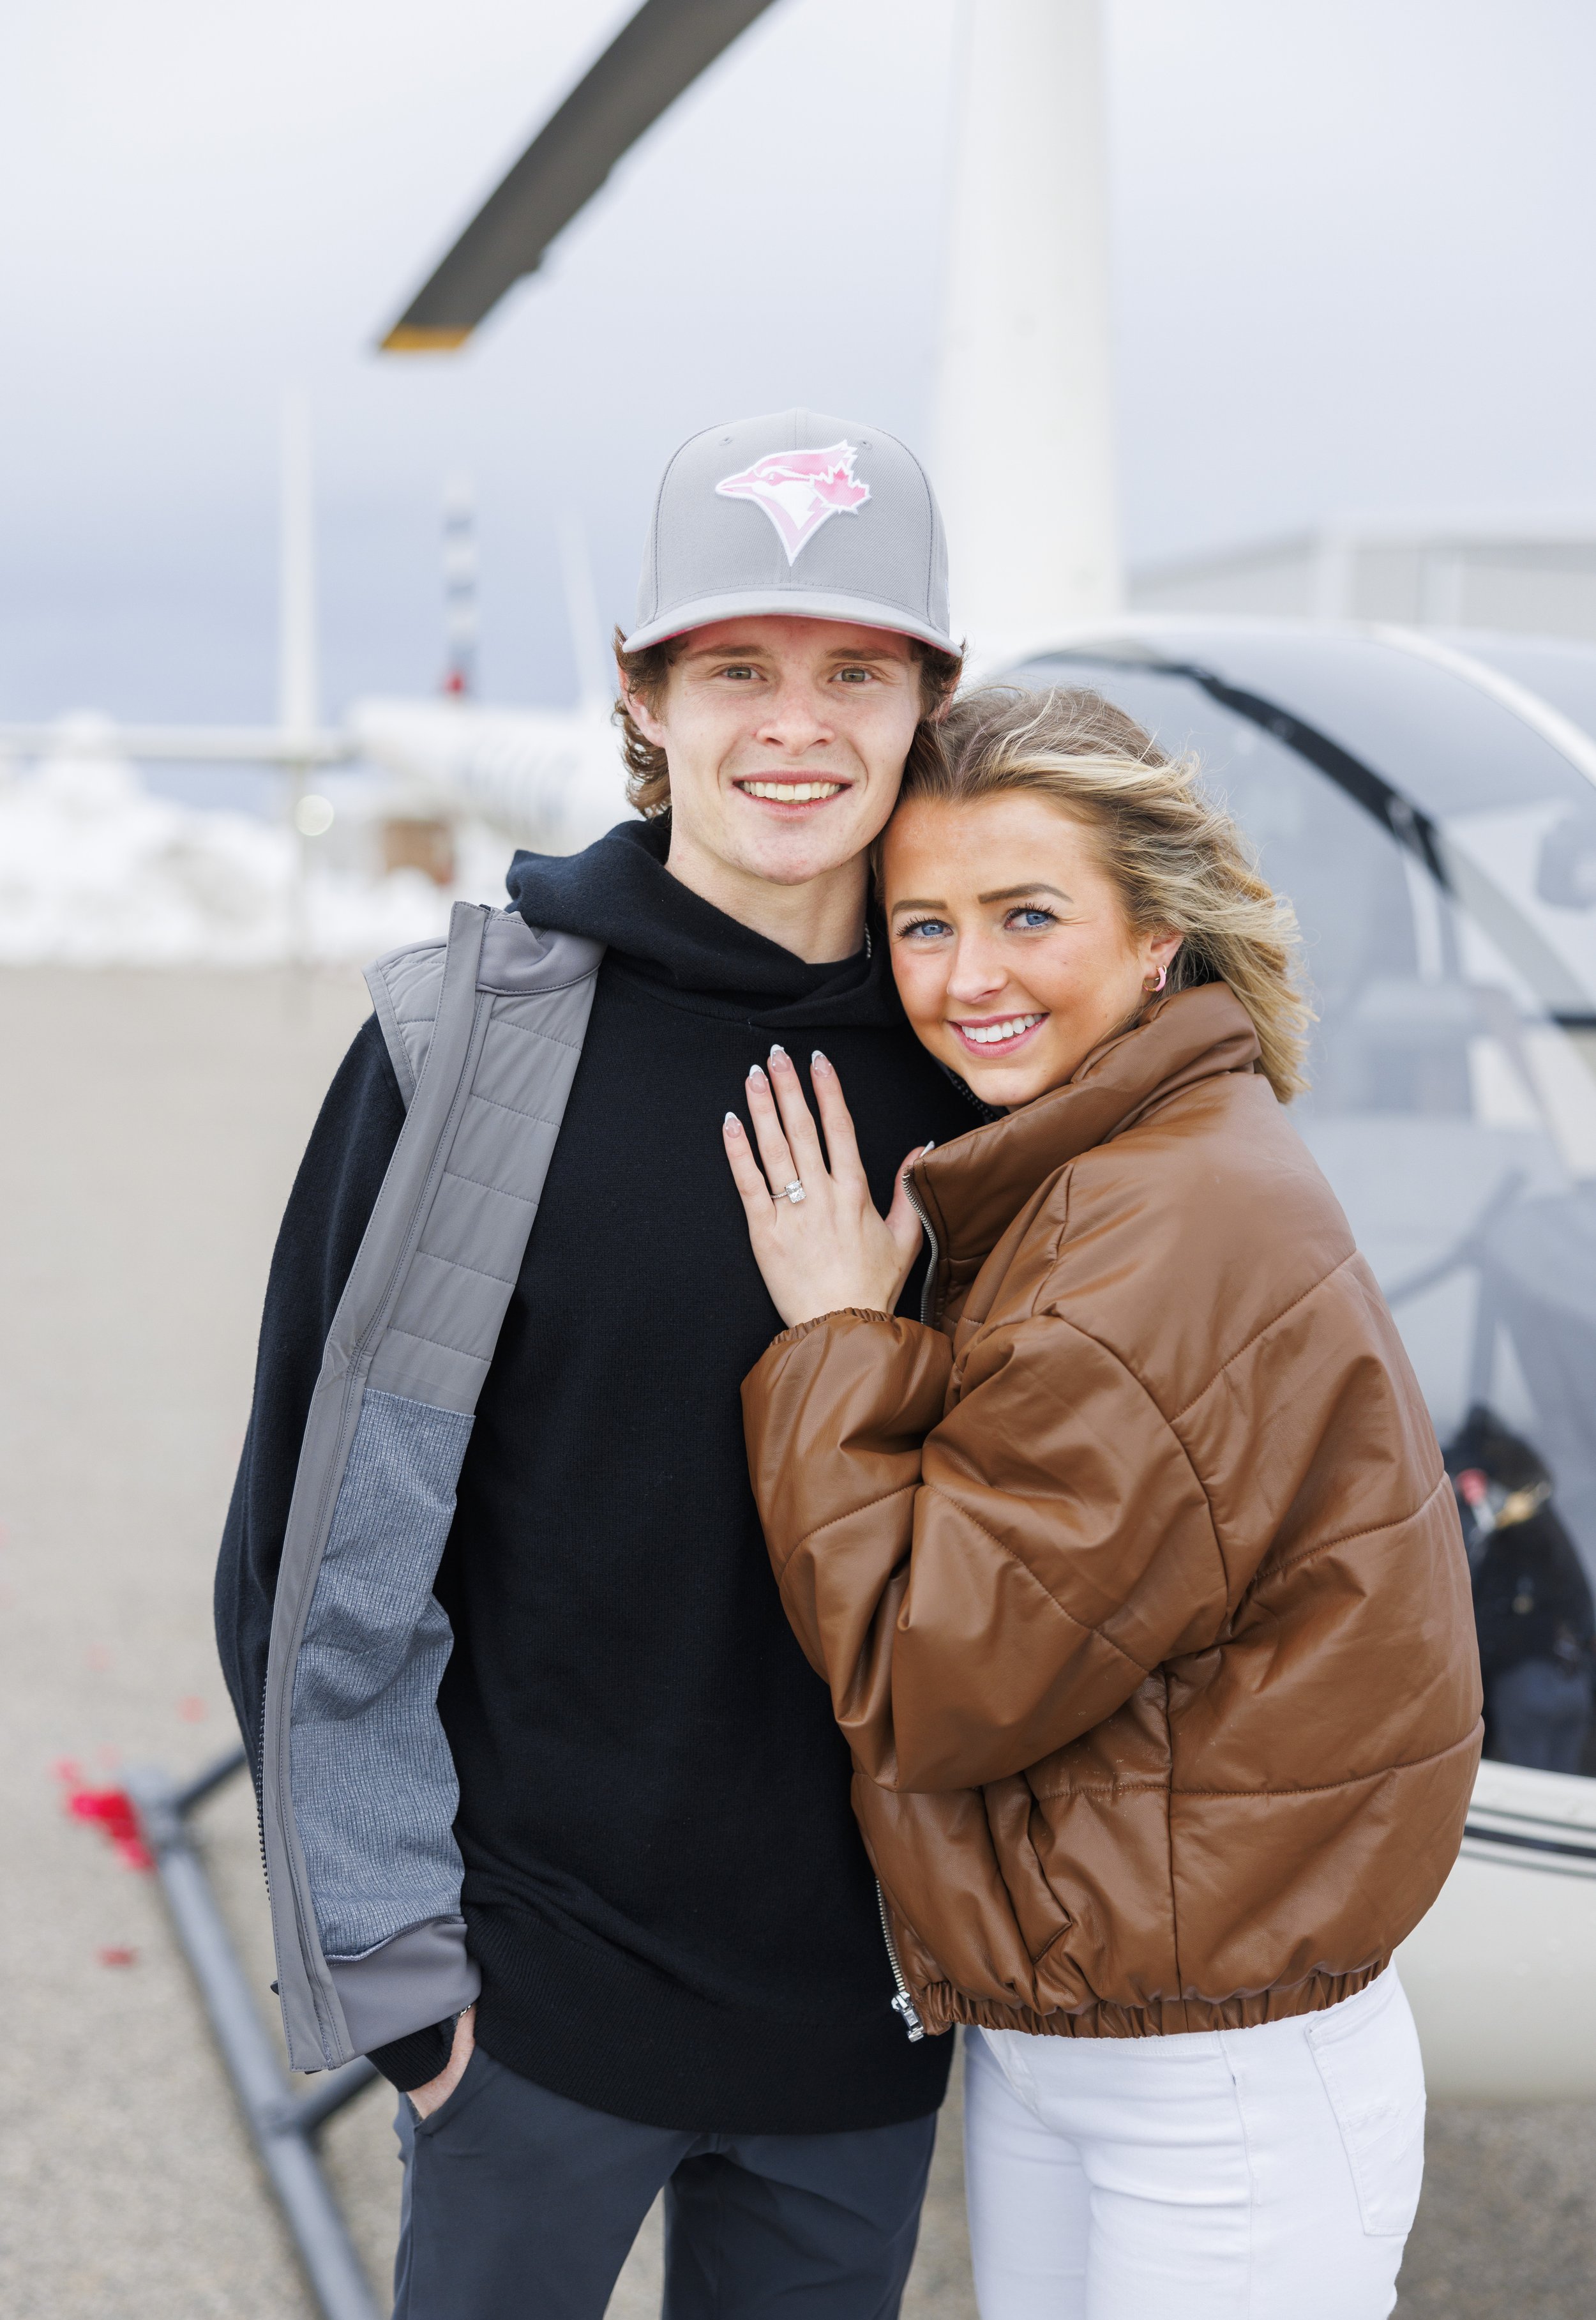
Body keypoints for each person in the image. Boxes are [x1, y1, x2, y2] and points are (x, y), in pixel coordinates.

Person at [214, 409, 983, 2320]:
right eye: (735, 668)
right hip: (529, 2009)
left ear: (923, 702)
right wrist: (409, 1986)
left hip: (852, 2027)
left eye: (851, 672)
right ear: (642, 694)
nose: (791, 724)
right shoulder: (464, 1050)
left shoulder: (981, 1067)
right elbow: (311, 1555)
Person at [721, 685, 1484, 2319]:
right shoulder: (1125, 1164)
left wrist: (837, 1346)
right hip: (1103, 2032)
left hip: (1218, 2096)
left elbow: (942, 1678)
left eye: (1027, 915)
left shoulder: (1158, 1230)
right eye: (922, 924)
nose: (966, 977)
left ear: (1158, 940)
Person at [1447, 1403, 1596, 1773]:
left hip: (1526, 1684)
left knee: (1528, 1798)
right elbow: (1579, 1606)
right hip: (1569, 1680)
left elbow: (1480, 1619)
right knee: (1558, 1803)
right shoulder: (1543, 1526)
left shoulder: (1504, 1535)